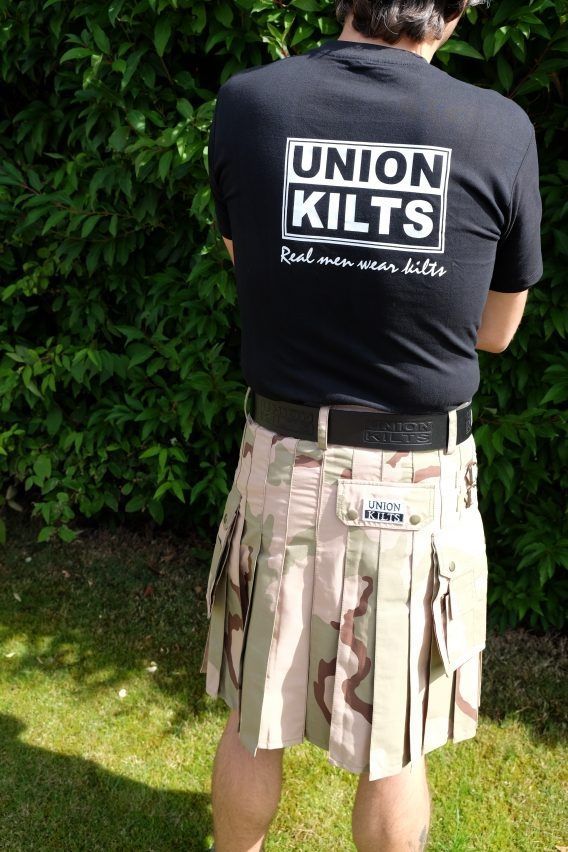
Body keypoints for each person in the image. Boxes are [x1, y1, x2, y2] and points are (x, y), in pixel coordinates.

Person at [199, 0, 543, 849]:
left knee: (254, 716)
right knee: (395, 744)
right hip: (415, 479)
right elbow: (496, 332)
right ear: (455, 13)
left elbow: (251, 266)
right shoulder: (497, 128)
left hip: (282, 459)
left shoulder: (251, 103)